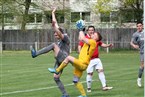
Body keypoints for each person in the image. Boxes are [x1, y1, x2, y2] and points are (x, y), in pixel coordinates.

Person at [48, 22, 102, 97]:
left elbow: (82, 38)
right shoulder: (89, 42)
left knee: (68, 57)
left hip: (82, 64)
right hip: (81, 64)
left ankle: (57, 70)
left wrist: (80, 29)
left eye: (95, 34)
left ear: (97, 38)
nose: (93, 33)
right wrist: (81, 30)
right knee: (75, 80)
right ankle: (83, 95)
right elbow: (81, 38)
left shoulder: (93, 42)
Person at [30, 7, 70, 97]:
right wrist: (53, 13)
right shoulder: (60, 40)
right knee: (56, 78)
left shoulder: (65, 37)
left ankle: (35, 54)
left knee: (53, 45)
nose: (55, 35)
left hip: (64, 58)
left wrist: (54, 27)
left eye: (56, 33)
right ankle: (65, 94)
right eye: (54, 34)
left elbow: (58, 30)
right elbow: (56, 24)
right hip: (60, 61)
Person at [130, 21, 144, 87]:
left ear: (142, 26)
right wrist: (134, 45)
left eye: (140, 25)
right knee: (142, 66)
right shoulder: (135, 34)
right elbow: (131, 42)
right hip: (142, 52)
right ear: (136, 27)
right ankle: (139, 79)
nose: (139, 27)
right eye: (138, 26)